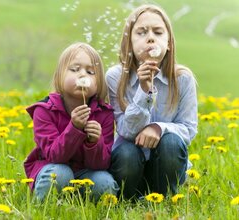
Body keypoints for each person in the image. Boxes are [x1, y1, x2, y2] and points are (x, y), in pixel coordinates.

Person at [106, 4, 198, 200]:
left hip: (166, 164)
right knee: (126, 152)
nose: (150, 37)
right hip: (130, 163)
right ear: (129, 43)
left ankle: (164, 197)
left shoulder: (183, 79)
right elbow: (126, 131)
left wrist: (158, 128)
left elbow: (188, 129)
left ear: (168, 43)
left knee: (172, 142)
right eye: (141, 32)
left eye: (158, 32)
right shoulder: (115, 78)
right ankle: (128, 198)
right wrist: (144, 89)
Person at [24, 42, 119, 201]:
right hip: (53, 167)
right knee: (61, 174)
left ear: (99, 82)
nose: (83, 75)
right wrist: (74, 128)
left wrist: (94, 142)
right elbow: (54, 156)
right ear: (60, 75)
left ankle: (81, 205)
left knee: (105, 182)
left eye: (90, 72)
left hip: (86, 173)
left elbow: (102, 165)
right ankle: (46, 207)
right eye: (75, 69)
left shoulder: (104, 114)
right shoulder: (44, 111)